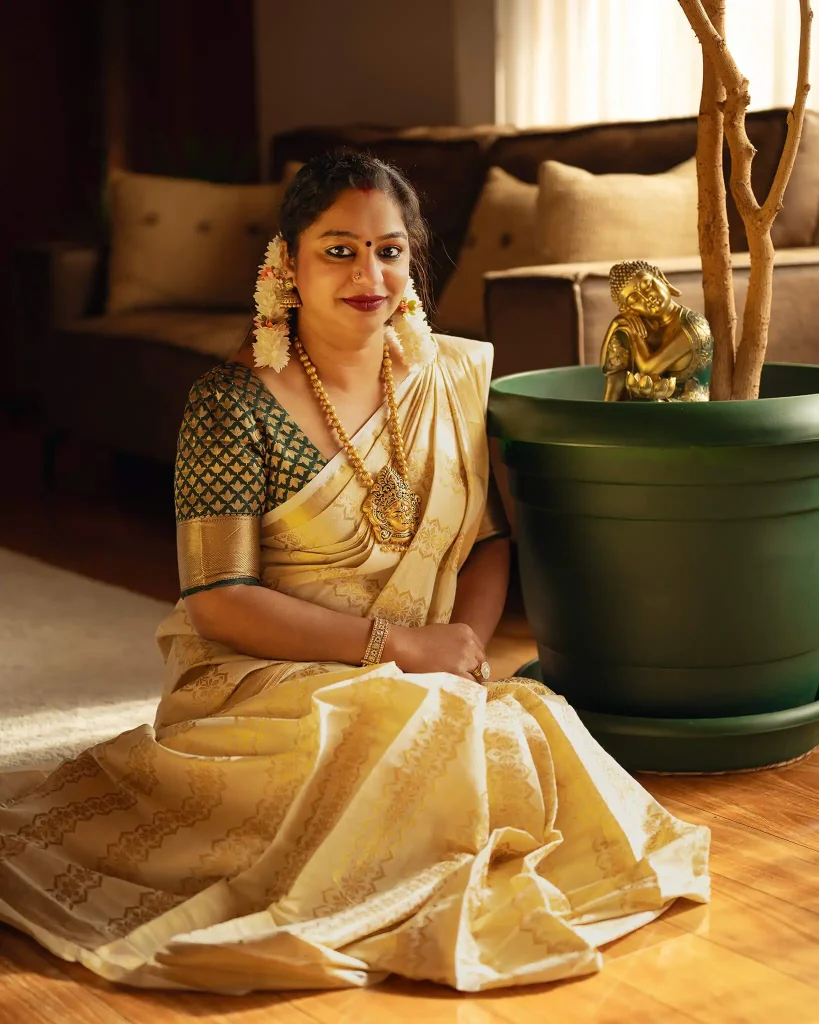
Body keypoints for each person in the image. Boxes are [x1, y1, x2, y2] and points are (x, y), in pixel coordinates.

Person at [0, 154, 709, 993]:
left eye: (390, 250)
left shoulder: (449, 379)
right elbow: (219, 602)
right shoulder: (232, 404)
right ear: (286, 265)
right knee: (409, 732)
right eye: (338, 250)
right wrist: (398, 648)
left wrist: (461, 653)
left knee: (520, 728)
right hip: (264, 676)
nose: (369, 274)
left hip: (422, 671)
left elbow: (485, 541)